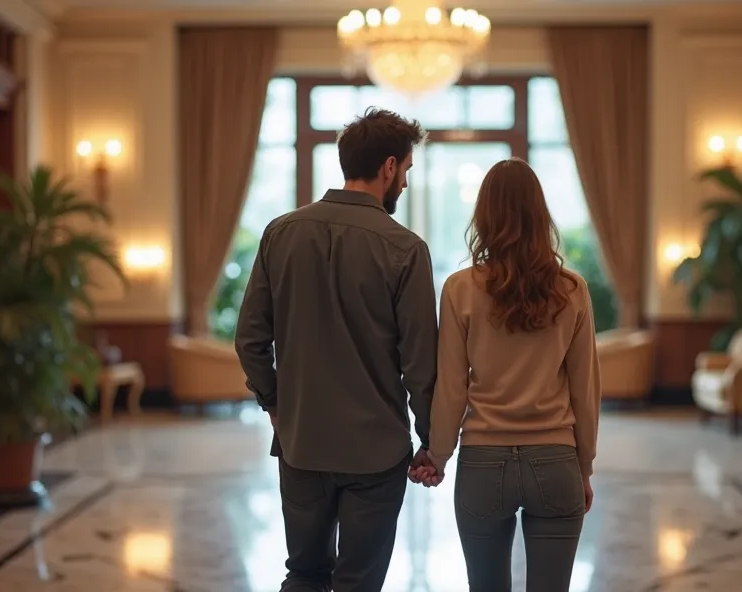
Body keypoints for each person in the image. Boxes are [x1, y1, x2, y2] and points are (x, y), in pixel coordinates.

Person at [235, 107, 439, 592]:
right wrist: (431, 440)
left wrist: (276, 404)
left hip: (302, 444)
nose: (406, 184)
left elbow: (249, 339)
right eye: (407, 171)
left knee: (303, 575)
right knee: (359, 583)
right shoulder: (405, 248)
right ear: (389, 167)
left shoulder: (280, 233)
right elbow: (419, 362)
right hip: (376, 451)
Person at [417, 158, 602, 591]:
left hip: (483, 463)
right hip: (556, 461)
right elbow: (585, 390)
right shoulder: (572, 291)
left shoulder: (460, 289)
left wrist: (437, 455)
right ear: (541, 216)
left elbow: (451, 387)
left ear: (484, 216)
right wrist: (584, 465)